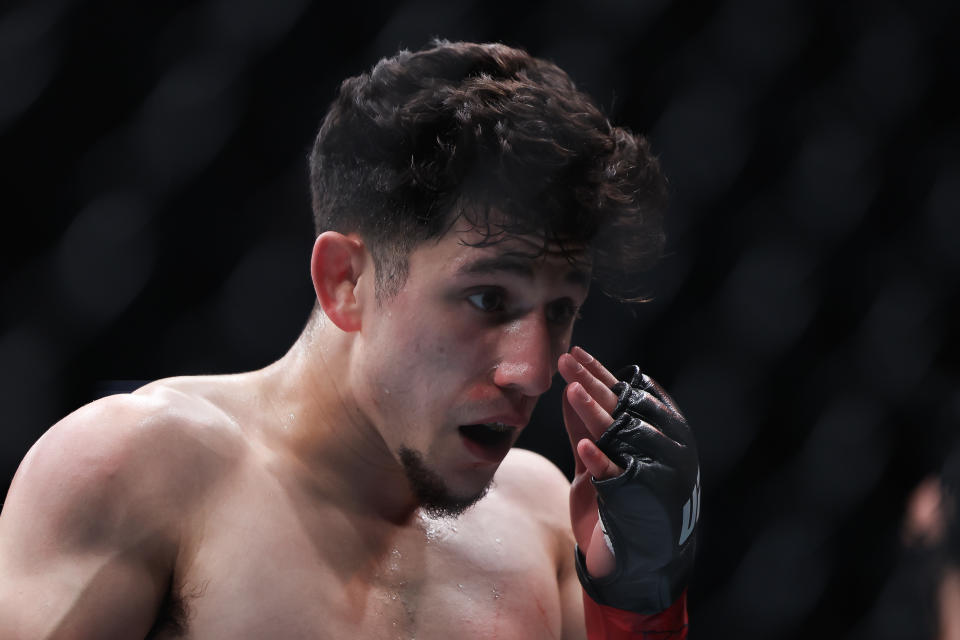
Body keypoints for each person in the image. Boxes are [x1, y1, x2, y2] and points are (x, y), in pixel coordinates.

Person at [0, 40, 700, 639]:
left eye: (560, 310)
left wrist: (643, 608)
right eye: (488, 300)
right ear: (345, 281)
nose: (533, 373)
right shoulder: (143, 469)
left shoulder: (548, 519)